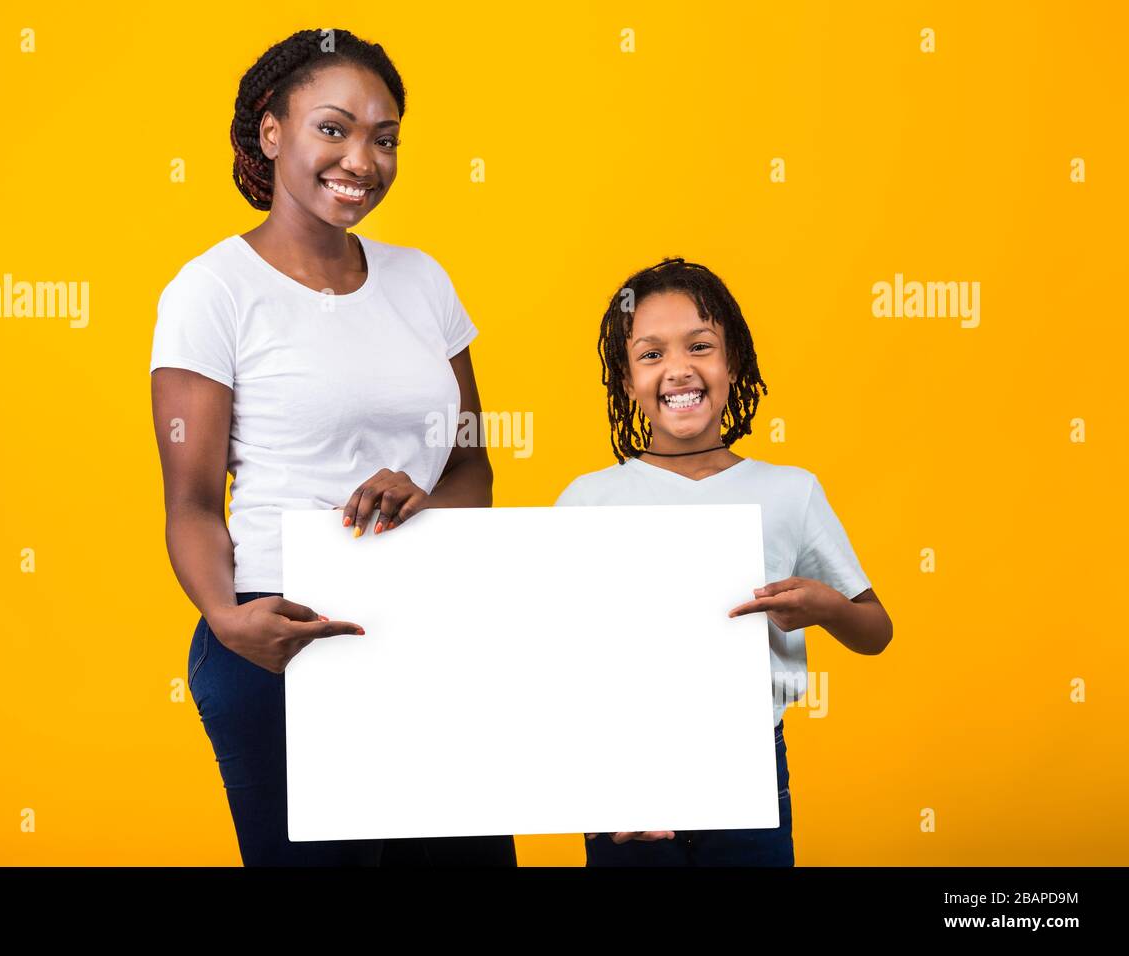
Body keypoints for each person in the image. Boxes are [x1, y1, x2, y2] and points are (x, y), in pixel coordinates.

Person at [150, 27, 516, 867]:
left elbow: (469, 461)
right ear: (271, 132)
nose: (362, 158)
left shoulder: (421, 280)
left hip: (429, 624)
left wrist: (426, 500)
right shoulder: (212, 291)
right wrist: (227, 618)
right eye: (334, 128)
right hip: (287, 634)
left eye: (384, 139)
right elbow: (192, 503)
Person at [553, 257, 894, 866]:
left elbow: (876, 632)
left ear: (732, 363)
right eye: (650, 354)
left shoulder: (791, 490)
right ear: (627, 381)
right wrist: (601, 780)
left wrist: (824, 606)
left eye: (700, 346)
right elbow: (558, 656)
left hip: (750, 767)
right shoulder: (588, 499)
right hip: (625, 773)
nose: (678, 368)